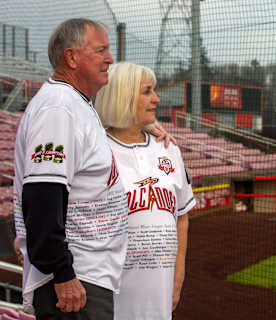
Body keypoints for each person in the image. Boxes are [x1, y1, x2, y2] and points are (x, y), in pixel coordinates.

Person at [13, 18, 173, 319]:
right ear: (71, 57)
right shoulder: (59, 108)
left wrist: (145, 124)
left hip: (88, 275)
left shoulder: (73, 104)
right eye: (100, 50)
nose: (110, 59)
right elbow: (43, 194)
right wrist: (62, 272)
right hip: (75, 281)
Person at [94, 61, 196, 320]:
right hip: (111, 293)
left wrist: (178, 274)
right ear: (124, 96)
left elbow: (181, 215)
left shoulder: (168, 149)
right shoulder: (94, 151)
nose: (156, 98)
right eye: (147, 91)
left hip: (159, 294)